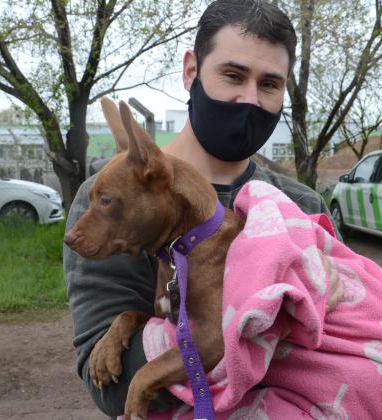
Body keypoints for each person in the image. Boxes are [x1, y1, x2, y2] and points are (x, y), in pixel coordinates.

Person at [64, 0, 331, 416]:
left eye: (270, 84)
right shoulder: (116, 200)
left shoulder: (300, 205)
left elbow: (326, 357)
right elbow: (111, 389)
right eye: (233, 75)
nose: (250, 99)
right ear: (191, 70)